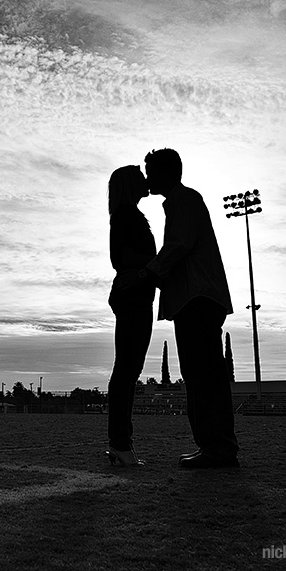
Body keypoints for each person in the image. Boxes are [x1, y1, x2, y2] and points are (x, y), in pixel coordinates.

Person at [135, 148, 239, 468]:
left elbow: (179, 246)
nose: (147, 178)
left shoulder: (184, 201)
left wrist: (147, 273)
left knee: (202, 375)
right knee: (201, 374)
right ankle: (215, 445)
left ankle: (217, 447)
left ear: (166, 173)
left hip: (197, 300)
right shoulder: (182, 202)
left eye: (150, 171)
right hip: (196, 299)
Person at [105, 165, 157, 467]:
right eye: (139, 176)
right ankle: (120, 443)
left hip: (135, 295)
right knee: (126, 371)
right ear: (129, 184)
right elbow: (122, 257)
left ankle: (120, 443)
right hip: (133, 296)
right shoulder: (126, 214)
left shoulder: (128, 214)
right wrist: (159, 261)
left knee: (127, 370)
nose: (145, 180)